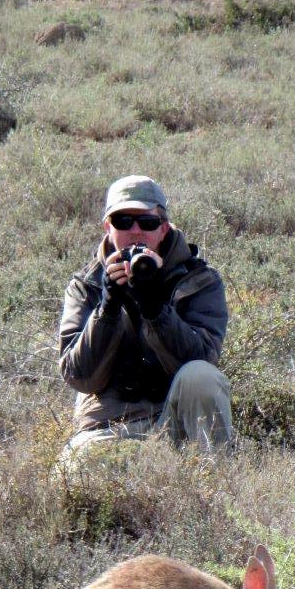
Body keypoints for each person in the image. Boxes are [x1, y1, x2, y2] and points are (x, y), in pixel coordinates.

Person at [59, 175, 232, 458]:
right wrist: (108, 308)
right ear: (107, 228)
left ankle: (216, 484)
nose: (136, 231)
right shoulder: (86, 286)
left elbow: (203, 359)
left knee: (202, 375)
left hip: (175, 421)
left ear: (163, 228)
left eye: (148, 223)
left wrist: (155, 310)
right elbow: (80, 377)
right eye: (123, 222)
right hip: (106, 429)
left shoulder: (199, 281)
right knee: (76, 473)